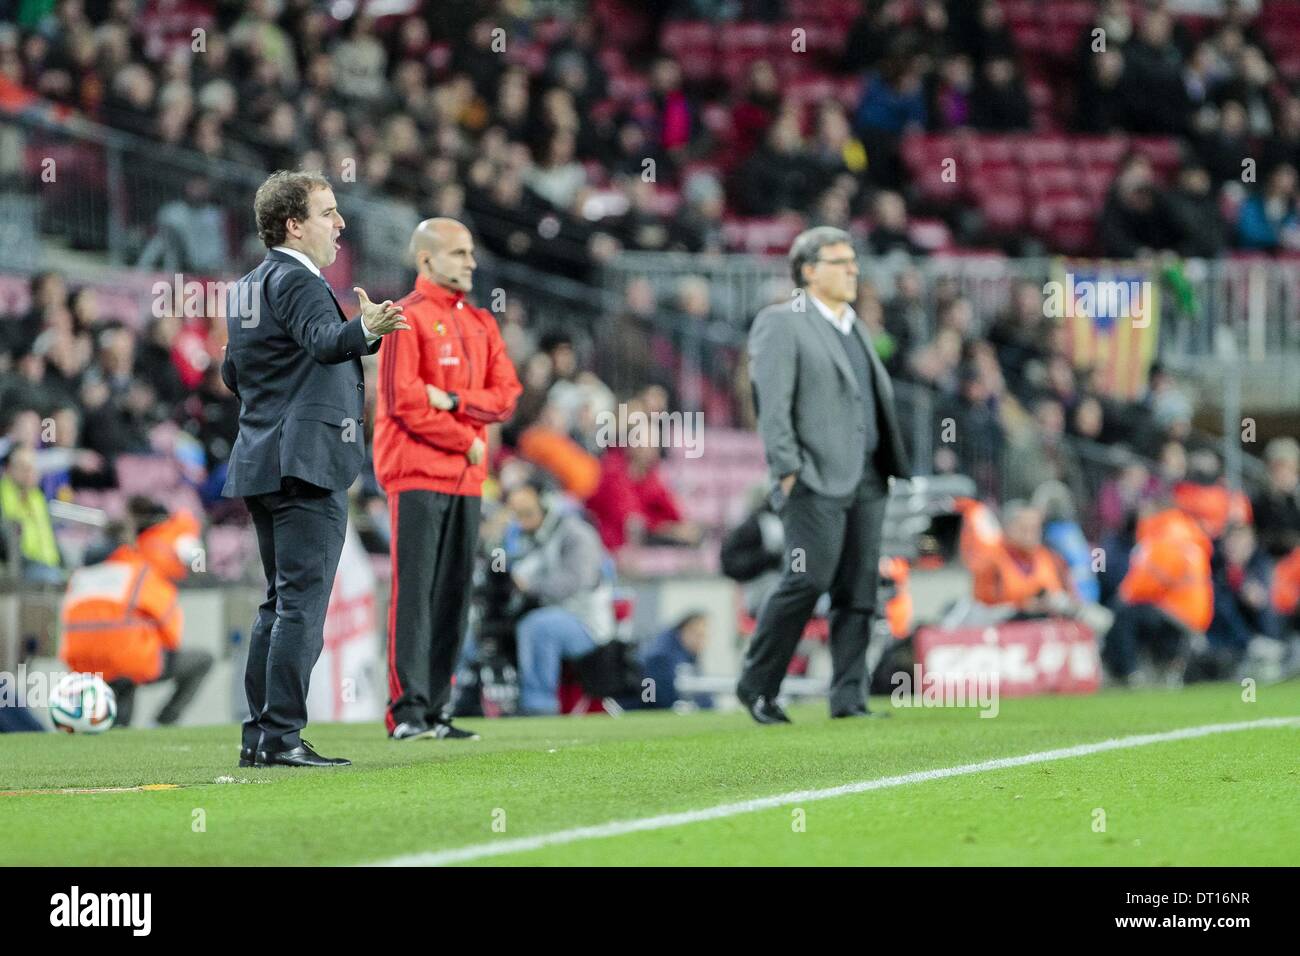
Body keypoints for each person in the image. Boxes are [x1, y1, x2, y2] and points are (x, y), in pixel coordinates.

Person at [221, 170, 408, 769]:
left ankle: (261, 736)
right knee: (301, 605)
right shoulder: (298, 278)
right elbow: (327, 341)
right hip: (305, 460)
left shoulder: (249, 284)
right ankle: (281, 737)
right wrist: (368, 330)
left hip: (261, 458)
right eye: (328, 212)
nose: (341, 223)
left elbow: (232, 373)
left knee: (277, 603)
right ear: (293, 224)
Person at [738, 226, 911, 724]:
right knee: (806, 579)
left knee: (859, 591)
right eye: (840, 261)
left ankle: (849, 698)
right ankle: (758, 685)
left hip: (869, 478)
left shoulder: (855, 325)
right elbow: (772, 405)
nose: (853, 269)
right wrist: (788, 471)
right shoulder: (781, 322)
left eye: (854, 261)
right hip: (814, 479)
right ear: (808, 270)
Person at [374, 217, 521, 740]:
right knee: (414, 594)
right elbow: (406, 403)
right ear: (427, 260)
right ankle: (407, 712)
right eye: (459, 253)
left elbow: (506, 396)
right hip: (416, 473)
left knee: (455, 595)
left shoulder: (482, 322)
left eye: (471, 252)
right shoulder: (404, 319)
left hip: (466, 480)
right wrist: (467, 436)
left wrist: (456, 401)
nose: (471, 262)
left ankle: (436, 709)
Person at [60, 503, 211, 727]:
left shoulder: (80, 575)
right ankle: (163, 722)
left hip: (82, 662)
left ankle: (111, 723)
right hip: (127, 660)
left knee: (122, 678)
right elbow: (169, 622)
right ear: (128, 540)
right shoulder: (138, 570)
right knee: (202, 660)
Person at [502, 481, 614, 715]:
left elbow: (574, 581)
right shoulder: (525, 536)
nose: (521, 520)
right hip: (546, 610)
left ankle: (538, 705)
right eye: (517, 514)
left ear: (545, 505)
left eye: (527, 513)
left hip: (585, 622)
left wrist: (529, 586)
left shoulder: (576, 534)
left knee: (538, 627)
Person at [0, 445, 62, 584]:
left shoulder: (37, 497)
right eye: (23, 467)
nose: (30, 472)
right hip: (18, 566)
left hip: (46, 564)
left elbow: (48, 536)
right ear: (9, 469)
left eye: (33, 467)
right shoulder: (2, 496)